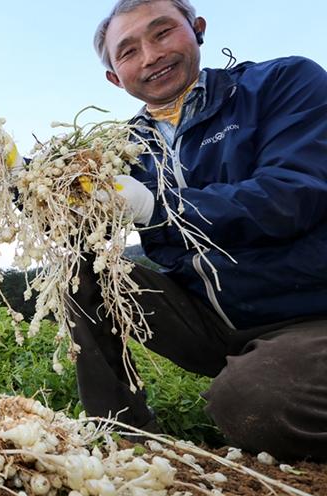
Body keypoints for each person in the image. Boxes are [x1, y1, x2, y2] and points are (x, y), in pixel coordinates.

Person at [71, 0, 327, 460]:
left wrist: (157, 206)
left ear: (198, 29)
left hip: (308, 313)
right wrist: (23, 180)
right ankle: (123, 437)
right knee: (80, 267)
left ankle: (267, 377)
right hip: (207, 320)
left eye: (163, 32)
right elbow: (77, 208)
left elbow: (293, 195)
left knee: (252, 402)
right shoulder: (124, 149)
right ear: (114, 77)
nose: (150, 56)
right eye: (127, 52)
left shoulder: (281, 84)